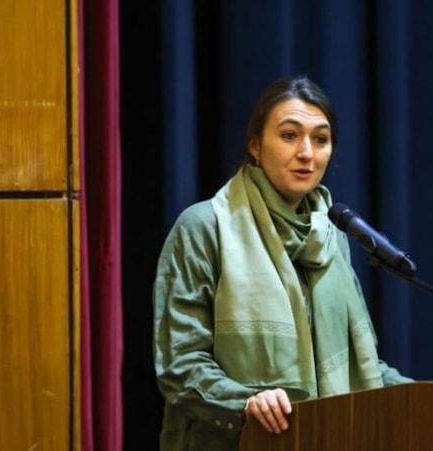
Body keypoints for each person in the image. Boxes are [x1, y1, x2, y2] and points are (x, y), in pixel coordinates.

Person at [153, 75, 413, 451]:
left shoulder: (333, 235)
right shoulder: (204, 227)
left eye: (320, 139)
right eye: (290, 135)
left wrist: (432, 398)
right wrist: (244, 402)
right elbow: (180, 363)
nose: (307, 152)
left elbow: (362, 363)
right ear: (255, 146)